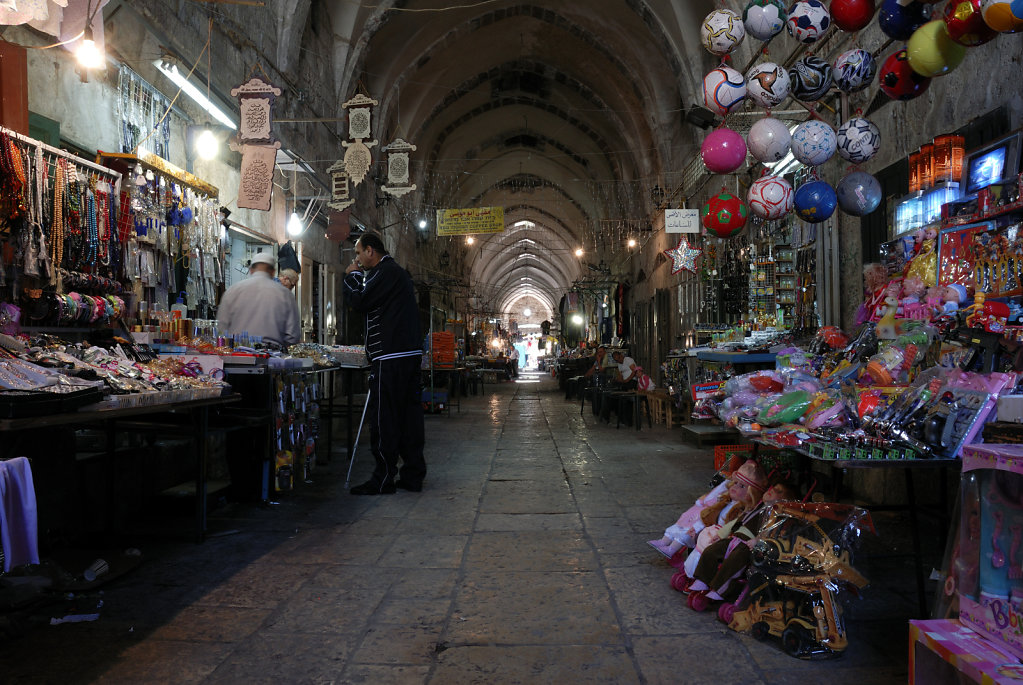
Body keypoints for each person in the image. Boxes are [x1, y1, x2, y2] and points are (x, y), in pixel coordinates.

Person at [343, 232, 426, 495]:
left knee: (384, 419)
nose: (357, 259)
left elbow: (360, 301)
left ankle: (383, 478)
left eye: (358, 253)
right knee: (408, 418)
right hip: (407, 356)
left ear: (370, 251)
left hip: (391, 359)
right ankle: (412, 475)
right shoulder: (396, 274)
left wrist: (352, 276)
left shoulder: (385, 272)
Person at [217, 252, 301, 347]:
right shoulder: (285, 295)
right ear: (273, 272)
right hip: (271, 356)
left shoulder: (233, 291)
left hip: (236, 355)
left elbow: (221, 327)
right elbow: (293, 336)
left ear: (251, 270)